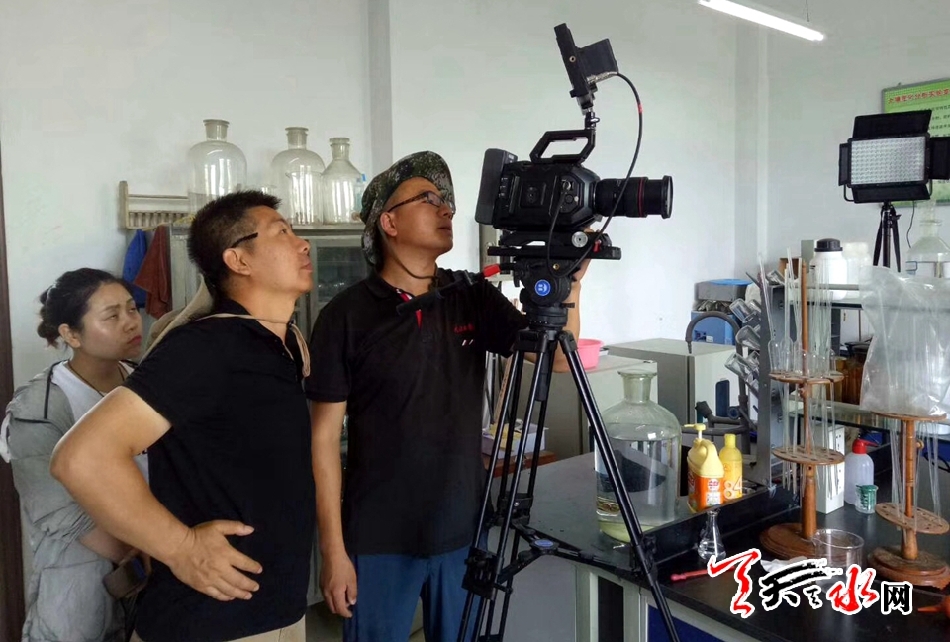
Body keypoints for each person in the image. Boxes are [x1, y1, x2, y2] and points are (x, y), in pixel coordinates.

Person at [307, 151, 587, 642]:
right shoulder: (346, 316)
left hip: (462, 528)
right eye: (428, 198)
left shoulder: (469, 295)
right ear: (388, 222)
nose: (447, 209)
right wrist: (333, 551)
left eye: (447, 201)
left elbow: (558, 358)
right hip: (378, 536)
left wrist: (570, 287)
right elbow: (323, 439)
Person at [50, 191, 316, 642]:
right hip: (214, 621)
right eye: (281, 232)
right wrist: (181, 546)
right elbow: (82, 458)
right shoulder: (206, 347)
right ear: (238, 260)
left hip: (272, 609)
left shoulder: (280, 342)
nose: (302, 243)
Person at [0, 268, 144, 641]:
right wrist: (157, 550)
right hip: (78, 583)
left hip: (153, 573)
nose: (131, 322)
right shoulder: (39, 406)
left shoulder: (145, 382)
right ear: (71, 334)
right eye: (112, 315)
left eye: (132, 308)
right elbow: (60, 512)